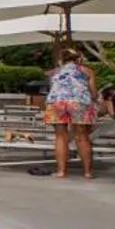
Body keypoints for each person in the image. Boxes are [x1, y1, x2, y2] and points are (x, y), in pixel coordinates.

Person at [43, 44, 102, 179]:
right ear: (78, 58)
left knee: (60, 137)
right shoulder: (87, 71)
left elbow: (53, 89)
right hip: (79, 102)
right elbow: (93, 93)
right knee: (82, 137)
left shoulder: (54, 72)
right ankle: (87, 172)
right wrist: (95, 99)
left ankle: (61, 172)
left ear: (61, 60)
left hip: (57, 103)